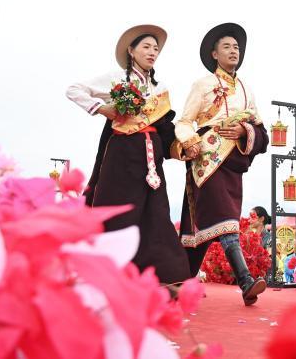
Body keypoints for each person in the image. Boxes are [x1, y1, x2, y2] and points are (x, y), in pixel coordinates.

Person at [66, 24, 191, 285]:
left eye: (155, 48)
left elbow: (164, 126)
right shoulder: (116, 78)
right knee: (120, 212)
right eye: (146, 47)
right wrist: (103, 108)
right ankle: (107, 275)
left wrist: (182, 145)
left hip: (151, 157)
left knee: (156, 212)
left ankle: (166, 277)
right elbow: (74, 90)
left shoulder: (159, 88)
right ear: (131, 51)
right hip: (122, 155)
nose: (152, 52)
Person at [173, 22, 269, 305]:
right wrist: (190, 141)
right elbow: (184, 121)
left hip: (233, 162)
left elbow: (261, 131)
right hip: (207, 161)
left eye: (236, 47)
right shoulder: (202, 85)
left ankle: (181, 281)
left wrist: (244, 131)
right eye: (226, 46)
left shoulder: (247, 89)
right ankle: (246, 281)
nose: (233, 51)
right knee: (226, 220)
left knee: (203, 226)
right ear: (214, 54)